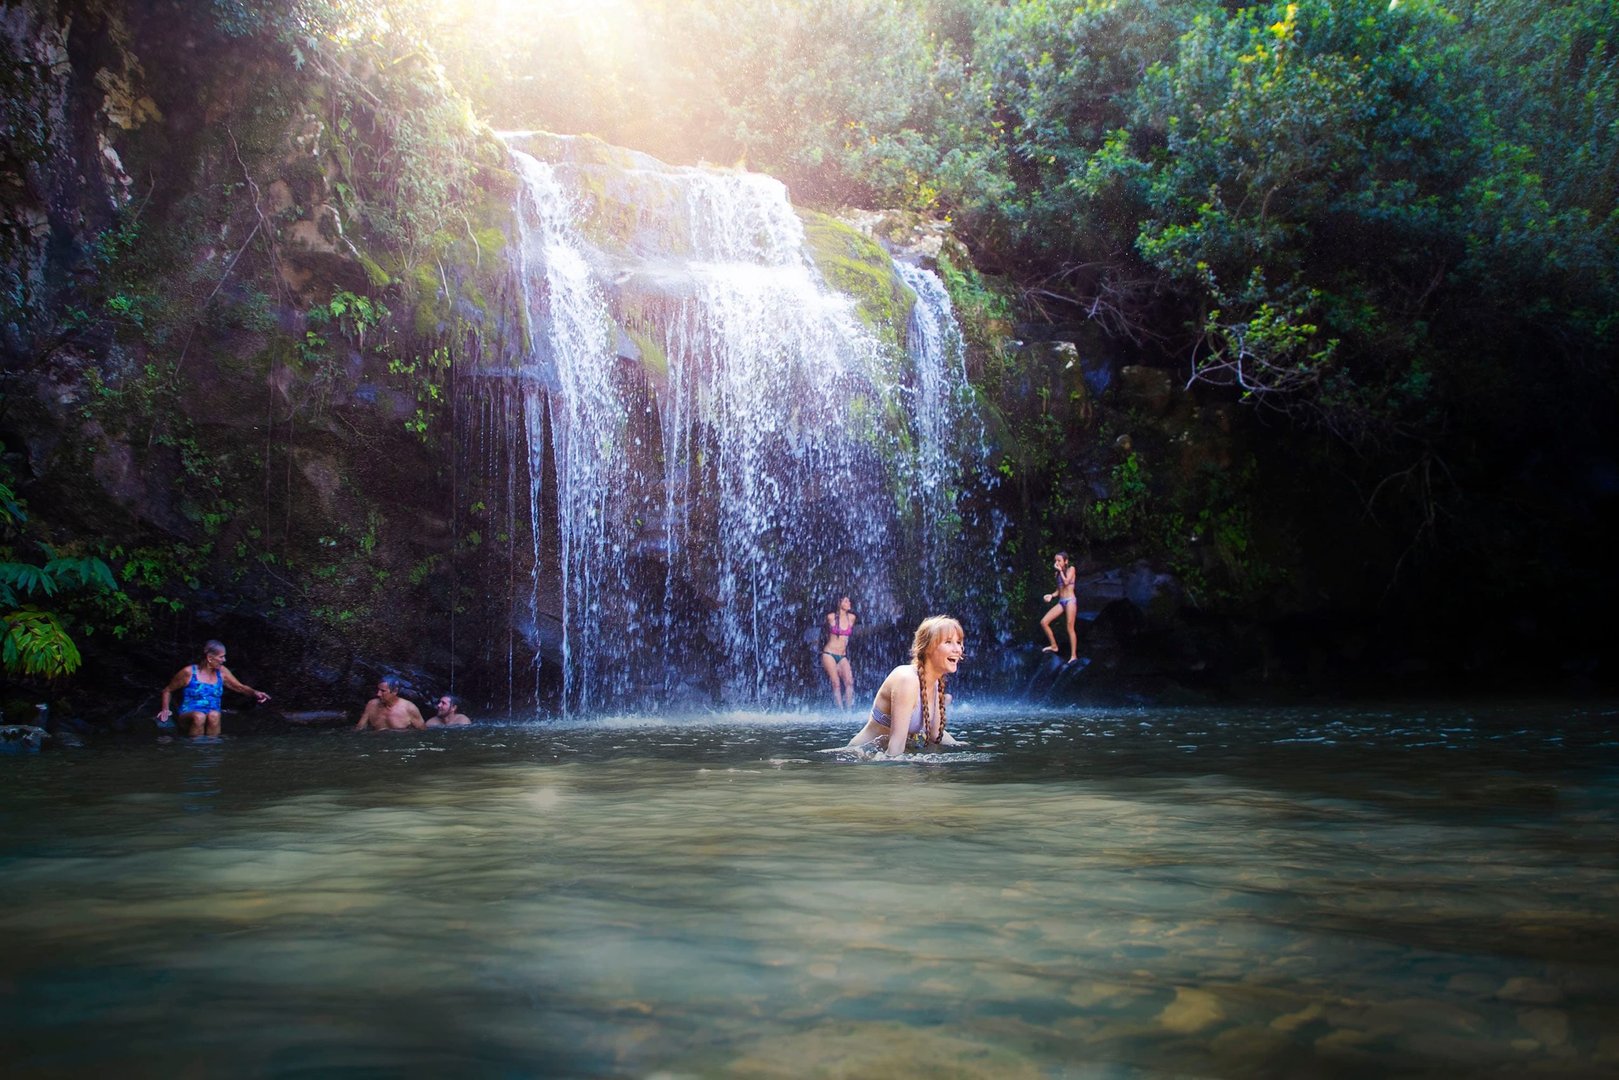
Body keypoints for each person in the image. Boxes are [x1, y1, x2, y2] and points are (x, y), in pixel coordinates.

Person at [845, 615, 965, 757]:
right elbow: (895, 747)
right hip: (860, 757)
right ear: (928, 648)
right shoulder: (907, 680)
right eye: (949, 642)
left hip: (880, 756)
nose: (957, 649)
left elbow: (935, 735)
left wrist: (966, 748)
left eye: (958, 642)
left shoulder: (935, 682)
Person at [156, 640, 271, 738]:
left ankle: (212, 750)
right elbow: (167, 690)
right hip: (188, 715)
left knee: (214, 714)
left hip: (212, 715)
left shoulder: (222, 672)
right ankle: (194, 749)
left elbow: (239, 687)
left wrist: (255, 693)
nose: (224, 660)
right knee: (199, 716)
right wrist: (165, 709)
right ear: (210, 658)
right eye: (221, 656)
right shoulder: (189, 672)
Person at [1039, 551, 1079, 662]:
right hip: (1061, 602)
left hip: (1070, 601)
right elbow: (1059, 590)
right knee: (1044, 622)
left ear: (1065, 561)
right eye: (1055, 561)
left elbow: (1066, 582)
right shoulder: (1057, 574)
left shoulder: (1071, 569)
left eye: (1059, 561)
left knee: (1070, 628)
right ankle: (1054, 645)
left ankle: (1073, 655)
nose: (1056, 563)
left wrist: (1061, 571)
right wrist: (1051, 596)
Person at [820, 595, 858, 709]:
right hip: (829, 654)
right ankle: (840, 712)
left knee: (849, 682)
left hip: (842, 656)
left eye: (849, 601)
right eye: (846, 601)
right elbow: (824, 632)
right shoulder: (830, 617)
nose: (849, 603)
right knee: (836, 683)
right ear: (839, 603)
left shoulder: (851, 617)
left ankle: (849, 711)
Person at [354, 675, 426, 732]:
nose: (378, 694)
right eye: (378, 690)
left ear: (395, 691)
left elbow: (422, 733)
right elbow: (359, 729)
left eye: (383, 691)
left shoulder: (409, 708)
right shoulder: (371, 704)